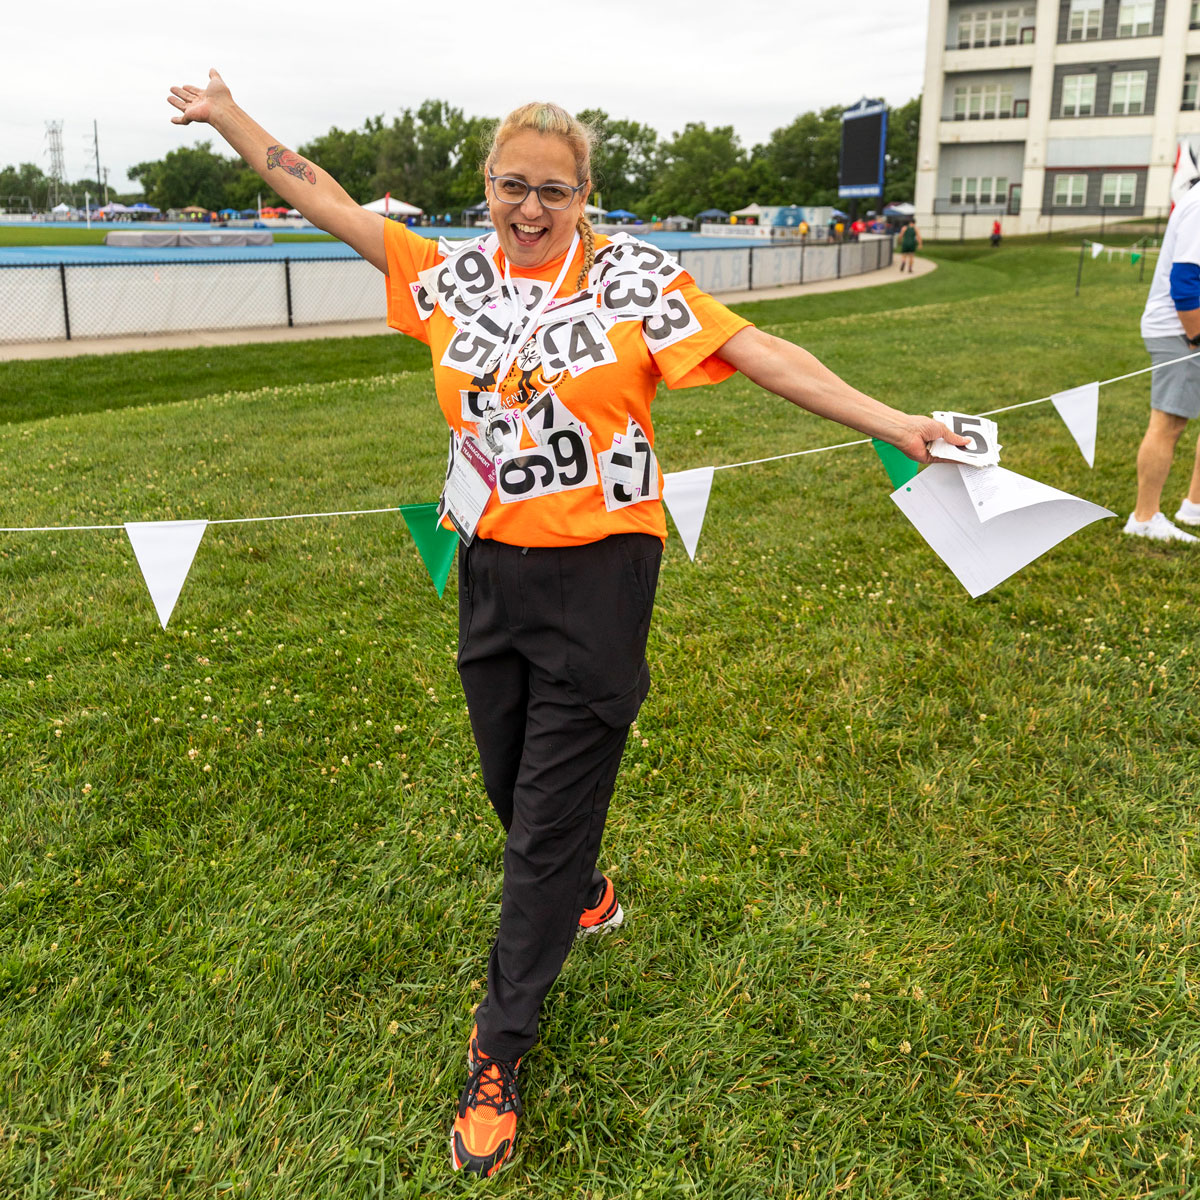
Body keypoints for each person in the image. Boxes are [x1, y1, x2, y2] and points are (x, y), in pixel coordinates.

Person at [167, 69, 966, 1179]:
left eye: (554, 190)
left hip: (604, 570)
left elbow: (759, 353)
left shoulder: (635, 279)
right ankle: (583, 887)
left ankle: (497, 1052)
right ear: (485, 187)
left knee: (539, 829)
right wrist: (228, 118)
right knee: (511, 784)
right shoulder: (449, 276)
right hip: (489, 564)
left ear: (587, 193)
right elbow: (323, 197)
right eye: (511, 186)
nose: (530, 208)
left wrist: (894, 421)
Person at [1124, 173, 1200, 543]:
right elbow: (1185, 281)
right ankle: (1143, 518)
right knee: (1168, 424)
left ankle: (1194, 508)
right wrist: (1197, 336)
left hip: (1189, 328)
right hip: (1181, 330)